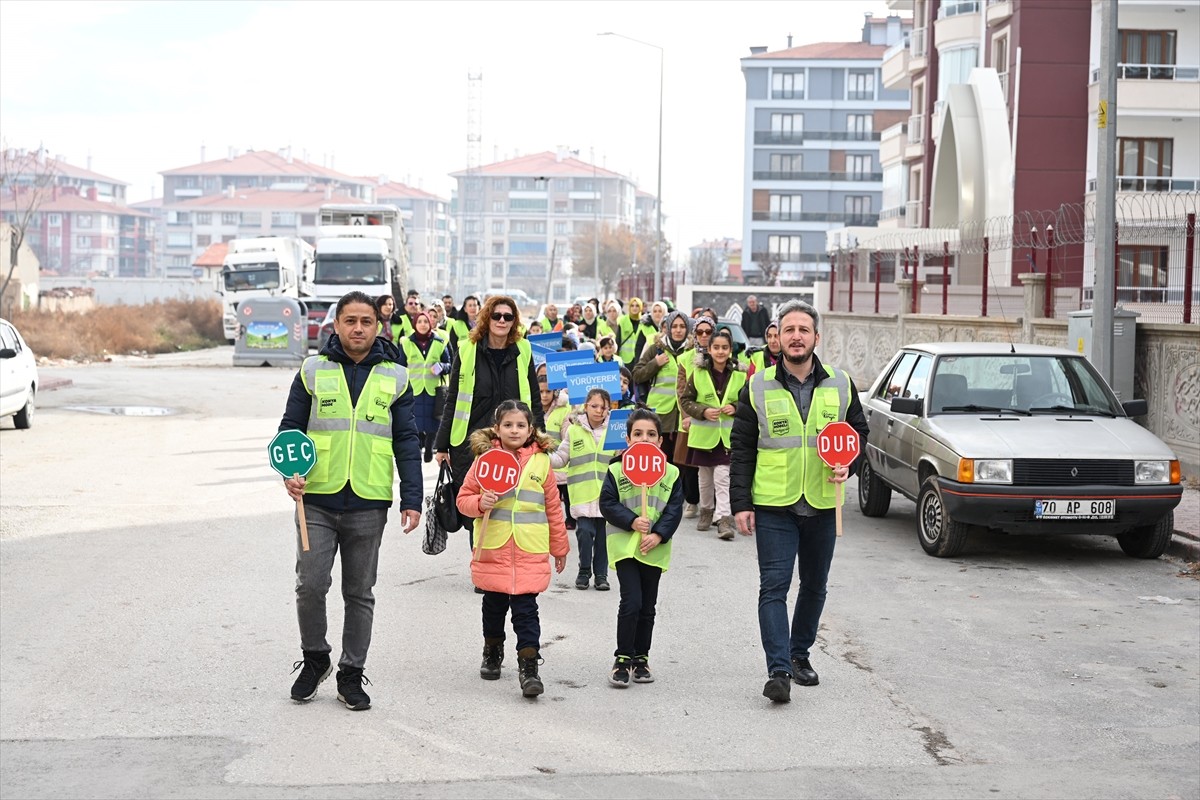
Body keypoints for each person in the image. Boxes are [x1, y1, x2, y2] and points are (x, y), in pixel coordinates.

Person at [278, 290, 423, 711]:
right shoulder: (312, 371)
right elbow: (290, 429)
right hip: (317, 500)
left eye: (366, 321)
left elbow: (407, 440)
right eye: (350, 321)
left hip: (368, 500)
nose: (358, 328)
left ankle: (351, 673)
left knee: (359, 592)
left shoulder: (396, 376)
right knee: (310, 584)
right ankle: (315, 658)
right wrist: (290, 474)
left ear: (378, 326)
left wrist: (412, 497)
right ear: (336, 325)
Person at [729, 300, 870, 705]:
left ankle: (799, 653)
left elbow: (859, 433)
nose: (795, 336)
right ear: (778, 336)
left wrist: (852, 464)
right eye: (788, 329)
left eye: (803, 330)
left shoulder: (841, 384)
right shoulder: (757, 386)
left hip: (824, 502)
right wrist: (741, 502)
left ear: (815, 337)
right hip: (775, 504)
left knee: (814, 586)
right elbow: (741, 448)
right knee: (773, 587)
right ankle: (779, 670)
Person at [456, 400, 568, 697]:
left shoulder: (542, 461)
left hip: (530, 548)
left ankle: (529, 665)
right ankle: (492, 651)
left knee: (526, 609)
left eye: (520, 425)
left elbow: (553, 508)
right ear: (497, 428)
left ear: (531, 429)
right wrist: (480, 503)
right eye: (508, 425)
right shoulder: (484, 459)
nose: (514, 430)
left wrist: (560, 547)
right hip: (494, 547)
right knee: (493, 606)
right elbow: (463, 499)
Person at [435, 295, 542, 537]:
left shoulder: (523, 349)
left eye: (508, 316)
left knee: (510, 503)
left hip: (514, 440)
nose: (502, 320)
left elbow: (534, 398)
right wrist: (441, 446)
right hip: (472, 442)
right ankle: (481, 562)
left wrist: (539, 439)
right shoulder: (467, 349)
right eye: (496, 315)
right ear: (487, 318)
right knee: (478, 506)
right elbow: (452, 400)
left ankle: (504, 563)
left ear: (514, 321)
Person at [599, 407, 683, 687]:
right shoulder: (615, 469)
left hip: (654, 548)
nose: (644, 439)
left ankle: (641, 658)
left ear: (660, 441)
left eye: (651, 434)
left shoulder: (671, 473)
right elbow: (608, 504)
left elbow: (674, 509)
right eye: (638, 434)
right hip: (625, 547)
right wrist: (632, 521)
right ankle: (622, 657)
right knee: (631, 602)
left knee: (648, 606)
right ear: (627, 438)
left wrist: (658, 535)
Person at [549, 388, 618, 591]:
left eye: (603, 407)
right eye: (594, 406)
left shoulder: (614, 431)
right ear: (586, 406)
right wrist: (541, 456)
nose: (598, 411)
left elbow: (622, 458)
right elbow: (561, 457)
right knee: (585, 533)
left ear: (609, 409)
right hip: (582, 494)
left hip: (607, 495)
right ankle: (584, 569)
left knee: (603, 537)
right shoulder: (574, 430)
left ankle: (601, 575)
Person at [680, 329, 744, 540]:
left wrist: (735, 407)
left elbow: (747, 401)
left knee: (723, 477)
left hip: (726, 438)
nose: (720, 351)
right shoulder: (697, 373)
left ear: (730, 349)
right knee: (705, 478)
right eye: (716, 347)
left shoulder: (739, 375)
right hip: (703, 437)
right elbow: (686, 401)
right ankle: (706, 511)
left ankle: (724, 518)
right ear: (709, 349)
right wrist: (703, 411)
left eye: (724, 348)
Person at [632, 310, 693, 507]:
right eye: (673, 326)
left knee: (681, 460)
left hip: (684, 413)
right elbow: (637, 375)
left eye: (682, 326)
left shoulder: (692, 351)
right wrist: (655, 364)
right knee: (661, 456)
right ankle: (658, 495)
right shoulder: (656, 349)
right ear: (666, 328)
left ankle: (676, 497)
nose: (677, 330)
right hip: (660, 413)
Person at [673, 315, 714, 518]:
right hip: (690, 415)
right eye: (700, 332)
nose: (704, 335)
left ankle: (712, 504)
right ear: (695, 334)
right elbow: (681, 390)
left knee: (714, 463)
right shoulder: (685, 358)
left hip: (716, 418)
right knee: (689, 463)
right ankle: (692, 501)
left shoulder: (722, 354)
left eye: (708, 332)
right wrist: (687, 416)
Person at [394, 311, 450, 463]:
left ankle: (429, 446)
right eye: (420, 322)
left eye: (426, 321)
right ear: (415, 324)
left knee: (433, 421)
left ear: (430, 324)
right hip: (414, 388)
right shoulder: (406, 342)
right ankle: (418, 446)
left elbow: (449, 364)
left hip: (433, 389)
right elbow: (400, 366)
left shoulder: (439, 342)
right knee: (415, 421)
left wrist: (440, 367)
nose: (423, 324)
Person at [537, 364, 575, 532]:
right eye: (541, 392)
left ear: (554, 393)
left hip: (561, 461)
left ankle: (570, 517)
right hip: (541, 460)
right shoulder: (531, 408)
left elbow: (567, 435)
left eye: (548, 392)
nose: (544, 396)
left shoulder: (563, 410)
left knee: (566, 495)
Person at [632, 301, 667, 366]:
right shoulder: (645, 327)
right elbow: (639, 347)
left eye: (660, 311)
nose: (657, 313)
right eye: (655, 311)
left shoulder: (670, 327)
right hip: (649, 363)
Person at [618, 298, 644, 364]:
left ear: (641, 307)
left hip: (640, 357)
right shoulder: (623, 320)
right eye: (632, 306)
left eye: (637, 306)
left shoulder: (644, 321)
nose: (634, 308)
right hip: (625, 358)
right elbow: (618, 339)